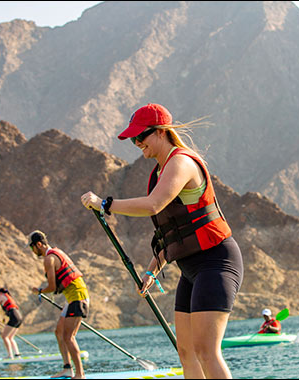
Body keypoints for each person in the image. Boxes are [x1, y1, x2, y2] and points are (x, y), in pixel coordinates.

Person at [81, 103, 244, 379]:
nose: (136, 143)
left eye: (140, 137)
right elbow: (173, 233)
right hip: (190, 269)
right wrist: (150, 270)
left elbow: (154, 205)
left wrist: (105, 204)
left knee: (206, 350)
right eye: (133, 140)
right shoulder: (159, 172)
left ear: (160, 132)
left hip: (216, 262)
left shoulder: (181, 162)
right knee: (186, 352)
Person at [28, 230, 89, 379]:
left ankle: (80, 375)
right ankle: (67, 369)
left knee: (69, 337)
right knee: (59, 332)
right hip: (72, 299)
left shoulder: (49, 259)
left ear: (39, 245)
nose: (32, 251)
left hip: (78, 297)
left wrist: (39, 291)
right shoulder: (56, 252)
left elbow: (52, 287)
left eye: (32, 248)